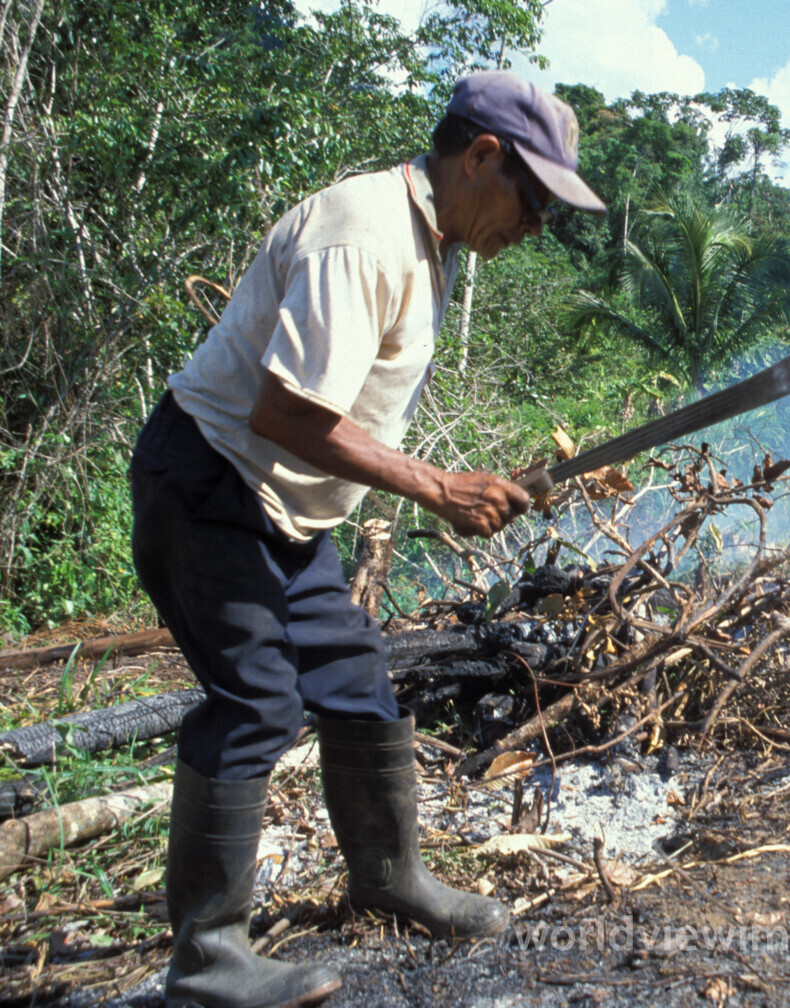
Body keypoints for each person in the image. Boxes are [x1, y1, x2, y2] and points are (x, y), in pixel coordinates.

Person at [130, 71, 606, 1008]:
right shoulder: (364, 233)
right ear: (482, 157)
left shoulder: (433, 247)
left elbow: (344, 414)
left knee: (357, 682)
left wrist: (467, 486)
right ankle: (207, 958)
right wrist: (436, 486)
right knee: (257, 702)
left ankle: (389, 877)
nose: (537, 227)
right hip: (210, 485)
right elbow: (282, 413)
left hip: (286, 508)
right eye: (535, 201)